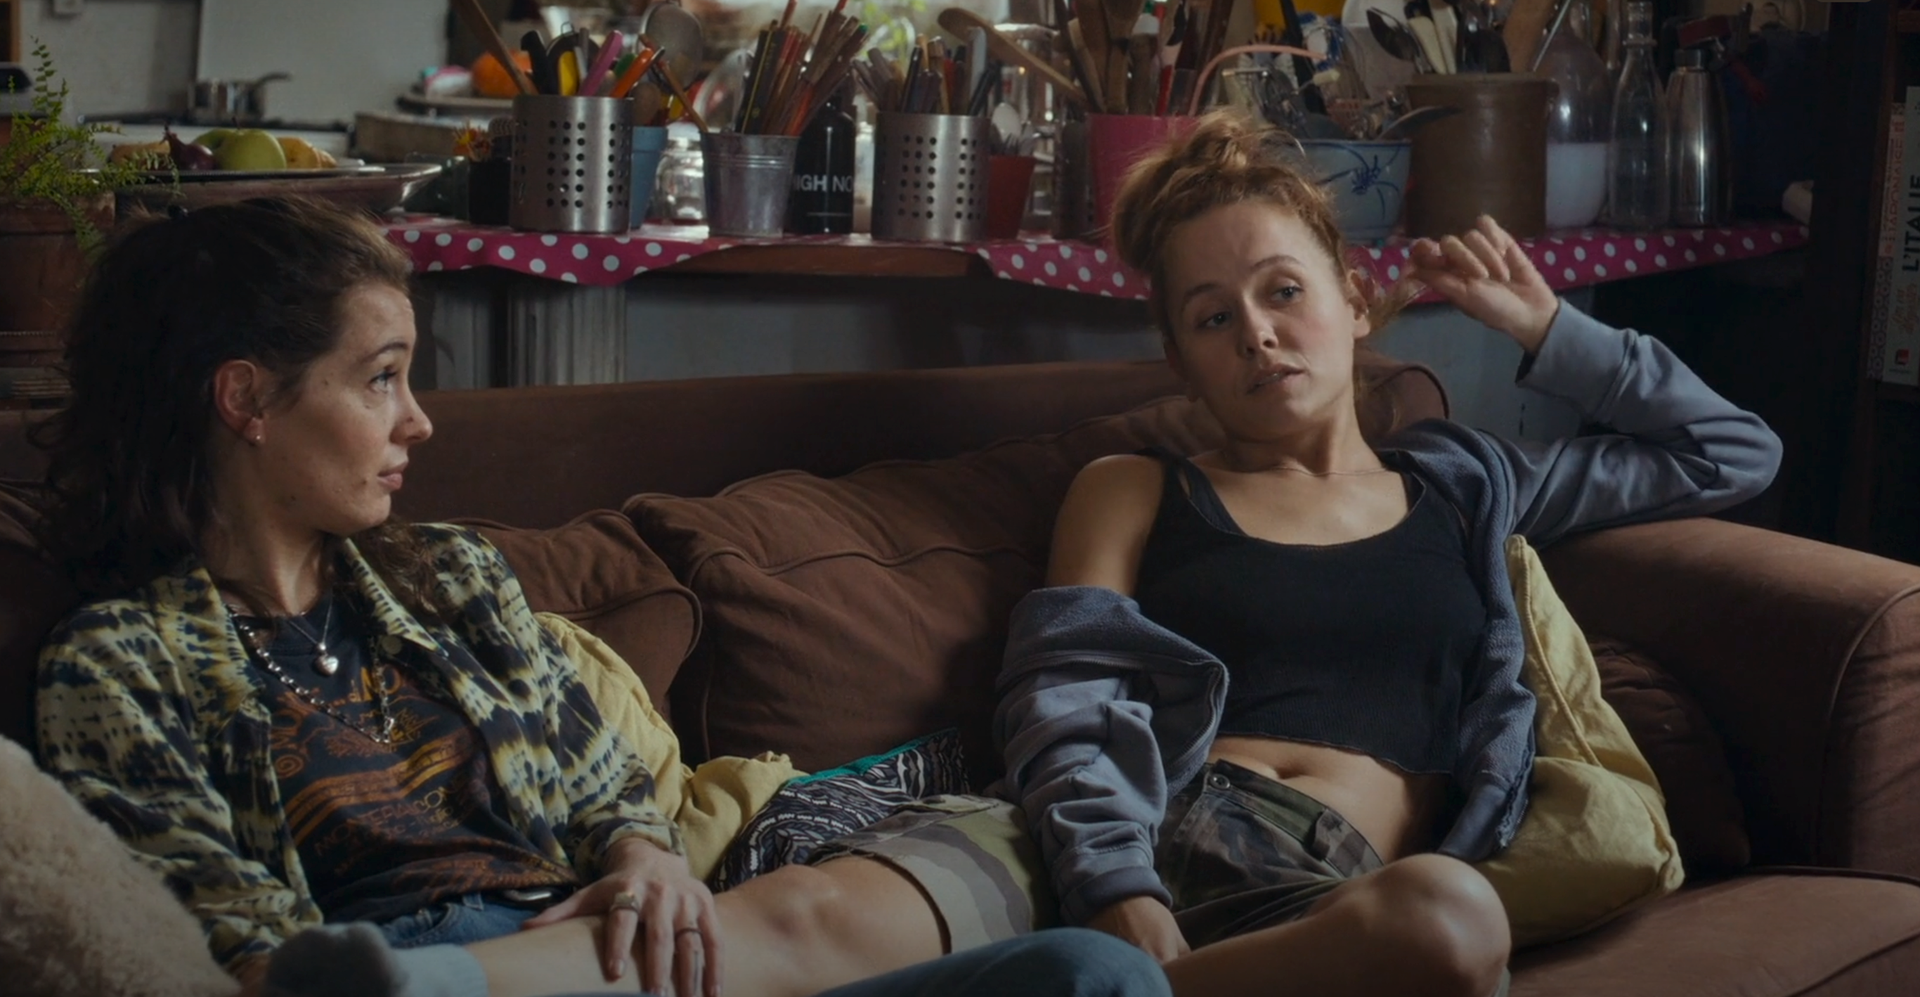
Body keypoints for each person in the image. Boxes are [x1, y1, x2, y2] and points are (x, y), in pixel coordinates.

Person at [31, 197, 1171, 997]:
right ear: (246, 399)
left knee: (1097, 972)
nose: (418, 421)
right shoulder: (120, 664)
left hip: (606, 952)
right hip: (378, 961)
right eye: (381, 378)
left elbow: (607, 793)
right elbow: (238, 941)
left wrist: (644, 861)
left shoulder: (454, 580)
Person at [991, 111, 1783, 997]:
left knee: (1450, 918)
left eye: (1283, 290)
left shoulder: (1465, 485)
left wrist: (1547, 326)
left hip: (1347, 898)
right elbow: (1068, 701)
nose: (1256, 333)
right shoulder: (1134, 487)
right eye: (1213, 317)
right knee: (1451, 921)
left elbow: (1730, 451)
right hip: (1173, 840)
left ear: (1357, 300)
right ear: (1181, 362)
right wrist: (1115, 887)